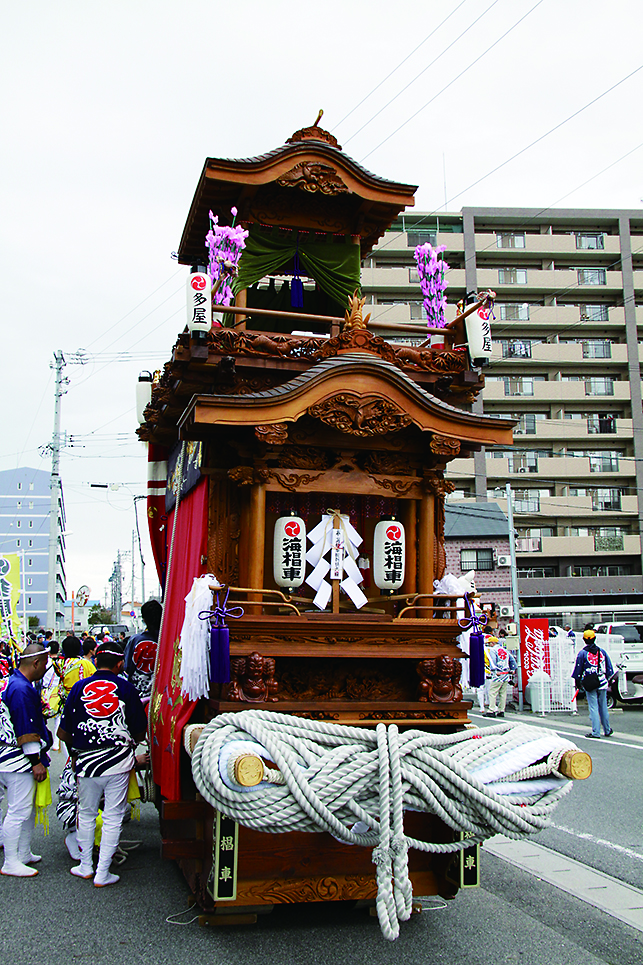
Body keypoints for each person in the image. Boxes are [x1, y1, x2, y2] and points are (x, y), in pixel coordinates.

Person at [58, 642, 147, 886]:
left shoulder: (78, 688)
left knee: (85, 813)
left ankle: (85, 865)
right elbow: (139, 732)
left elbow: (64, 731)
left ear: (96, 662)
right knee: (113, 815)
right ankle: (103, 871)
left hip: (86, 760)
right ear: (120, 664)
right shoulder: (127, 689)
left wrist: (75, 755)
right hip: (118, 761)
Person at [0, 643, 52, 876]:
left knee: (25, 809)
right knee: (18, 810)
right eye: (45, 664)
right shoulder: (21, 688)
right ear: (36, 663)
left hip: (10, 755)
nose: (46, 669)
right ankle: (11, 860)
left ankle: (22, 853)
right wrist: (35, 761)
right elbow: (25, 727)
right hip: (17, 758)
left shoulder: (13, 682)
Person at [572, 629, 614, 739]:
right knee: (603, 707)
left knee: (593, 708)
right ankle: (607, 729)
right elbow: (609, 669)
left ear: (584, 640)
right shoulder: (602, 652)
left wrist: (578, 683)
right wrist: (608, 679)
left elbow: (578, 670)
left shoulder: (582, 653)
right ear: (595, 639)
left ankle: (596, 732)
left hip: (590, 683)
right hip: (602, 682)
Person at [124, 600, 162, 702]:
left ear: (144, 619)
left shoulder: (134, 640)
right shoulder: (169, 640)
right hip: (162, 695)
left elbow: (127, 667)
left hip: (137, 695)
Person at [485, 637, 517, 718]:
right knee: (503, 693)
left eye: (489, 643)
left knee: (492, 692)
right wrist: (512, 669)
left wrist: (494, 670)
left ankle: (491, 710)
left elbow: (493, 661)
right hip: (506, 673)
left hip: (498, 673)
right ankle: (501, 710)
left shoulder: (493, 650)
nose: (489, 644)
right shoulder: (505, 650)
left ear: (492, 643)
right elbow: (512, 660)